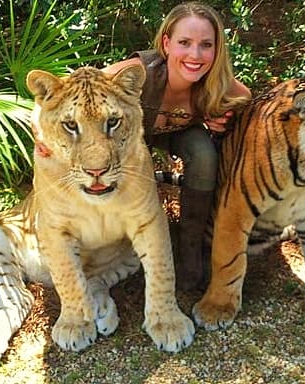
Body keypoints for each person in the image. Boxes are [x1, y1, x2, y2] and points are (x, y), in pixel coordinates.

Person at [104, 2, 252, 291]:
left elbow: (247, 98)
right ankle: (122, 251)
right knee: (132, 168)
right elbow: (71, 86)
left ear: (216, 49)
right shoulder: (139, 70)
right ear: (166, 43)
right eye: (185, 43)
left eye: (206, 45)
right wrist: (39, 125)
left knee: (204, 154)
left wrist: (223, 115)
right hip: (134, 136)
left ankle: (191, 250)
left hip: (179, 133)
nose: (195, 55)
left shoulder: (216, 80)